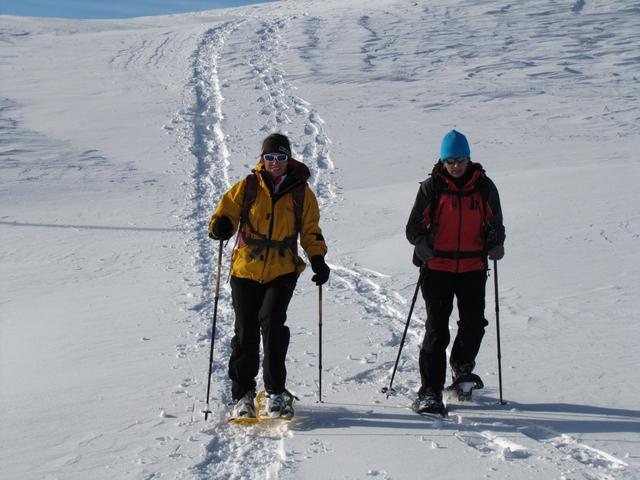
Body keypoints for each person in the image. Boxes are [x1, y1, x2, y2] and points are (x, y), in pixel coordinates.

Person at [208, 133, 330, 419]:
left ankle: (275, 394)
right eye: (270, 157)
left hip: (282, 269)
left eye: (281, 158)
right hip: (246, 270)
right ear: (262, 159)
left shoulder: (302, 193)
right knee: (245, 331)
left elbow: (311, 231)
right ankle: (242, 395)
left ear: (289, 159)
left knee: (273, 325)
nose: (275, 163)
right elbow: (223, 213)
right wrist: (221, 226)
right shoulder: (248, 186)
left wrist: (318, 259)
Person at [405, 130, 505, 413]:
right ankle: (430, 393)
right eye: (450, 160)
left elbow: (497, 224)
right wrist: (421, 244)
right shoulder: (432, 188)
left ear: (469, 158)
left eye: (460, 159)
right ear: (442, 160)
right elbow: (413, 227)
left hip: (473, 266)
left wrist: (496, 243)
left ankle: (461, 367)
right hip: (437, 267)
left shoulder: (484, 187)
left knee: (474, 325)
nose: (455, 165)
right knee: (437, 330)